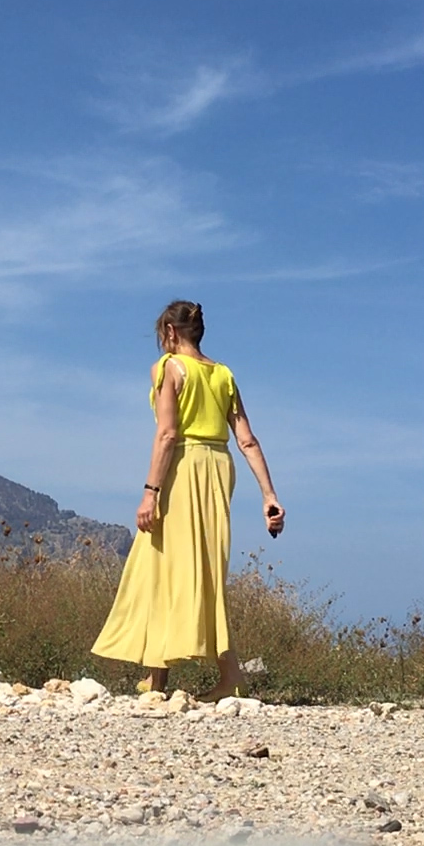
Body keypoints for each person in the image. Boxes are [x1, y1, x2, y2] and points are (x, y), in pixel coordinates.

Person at [91, 300, 284, 702]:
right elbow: (247, 440)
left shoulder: (169, 369)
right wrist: (269, 495)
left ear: (171, 331)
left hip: (184, 467)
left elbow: (167, 434)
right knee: (198, 568)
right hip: (219, 467)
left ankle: (226, 676)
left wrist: (150, 492)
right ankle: (159, 676)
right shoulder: (223, 374)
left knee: (162, 562)